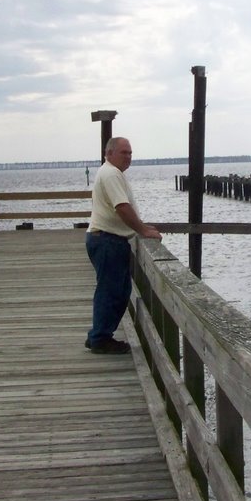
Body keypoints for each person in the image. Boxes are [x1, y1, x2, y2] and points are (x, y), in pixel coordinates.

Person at [85, 137, 162, 354]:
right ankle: (101, 338)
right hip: (107, 240)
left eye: (130, 153)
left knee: (117, 290)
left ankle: (98, 335)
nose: (128, 157)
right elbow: (122, 207)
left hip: (107, 239)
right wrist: (143, 230)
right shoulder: (110, 173)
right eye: (123, 152)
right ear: (108, 153)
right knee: (111, 292)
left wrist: (140, 226)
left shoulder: (112, 173)